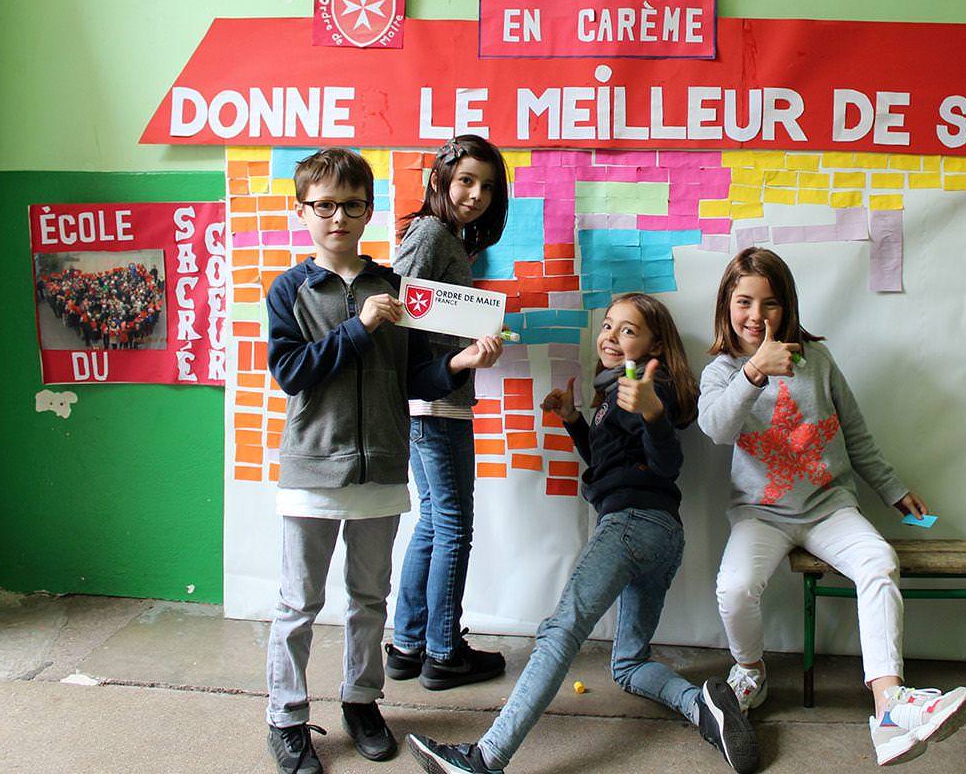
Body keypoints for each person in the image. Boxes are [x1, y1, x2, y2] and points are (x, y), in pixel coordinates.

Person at [406, 293, 759, 774]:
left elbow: (666, 464)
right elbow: (608, 463)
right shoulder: (614, 393)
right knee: (629, 664)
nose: (611, 337)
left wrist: (653, 413)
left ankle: (484, 759)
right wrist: (574, 420)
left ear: (656, 342)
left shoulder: (649, 387)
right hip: (661, 536)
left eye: (628, 330)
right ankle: (703, 706)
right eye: (608, 326)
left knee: (559, 632)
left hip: (631, 526)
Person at [263, 148, 503, 774]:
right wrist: (358, 329)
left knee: (369, 600)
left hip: (381, 472)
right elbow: (292, 373)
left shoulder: (392, 287)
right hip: (314, 471)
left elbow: (411, 377)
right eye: (324, 206)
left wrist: (459, 363)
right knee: (297, 605)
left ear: (368, 211)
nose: (337, 217)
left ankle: (362, 701)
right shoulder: (291, 288)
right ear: (303, 211)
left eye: (351, 206)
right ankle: (286, 718)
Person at [698, 248, 966, 767]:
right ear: (726, 306)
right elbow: (716, 428)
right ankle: (751, 674)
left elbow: (855, 433)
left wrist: (893, 489)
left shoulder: (817, 360)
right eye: (744, 302)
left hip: (828, 507)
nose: (756, 316)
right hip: (761, 513)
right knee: (734, 588)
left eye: (770, 303)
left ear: (788, 308)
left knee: (878, 562)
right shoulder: (721, 372)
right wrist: (754, 372)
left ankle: (890, 708)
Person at [388, 136, 512, 691]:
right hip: (434, 400)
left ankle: (409, 645)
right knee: (454, 526)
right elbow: (397, 306)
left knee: (436, 522)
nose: (476, 194)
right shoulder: (430, 234)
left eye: (487, 186)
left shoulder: (450, 241)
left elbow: (427, 313)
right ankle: (443, 652)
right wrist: (451, 361)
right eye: (466, 180)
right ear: (440, 178)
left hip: (437, 396)